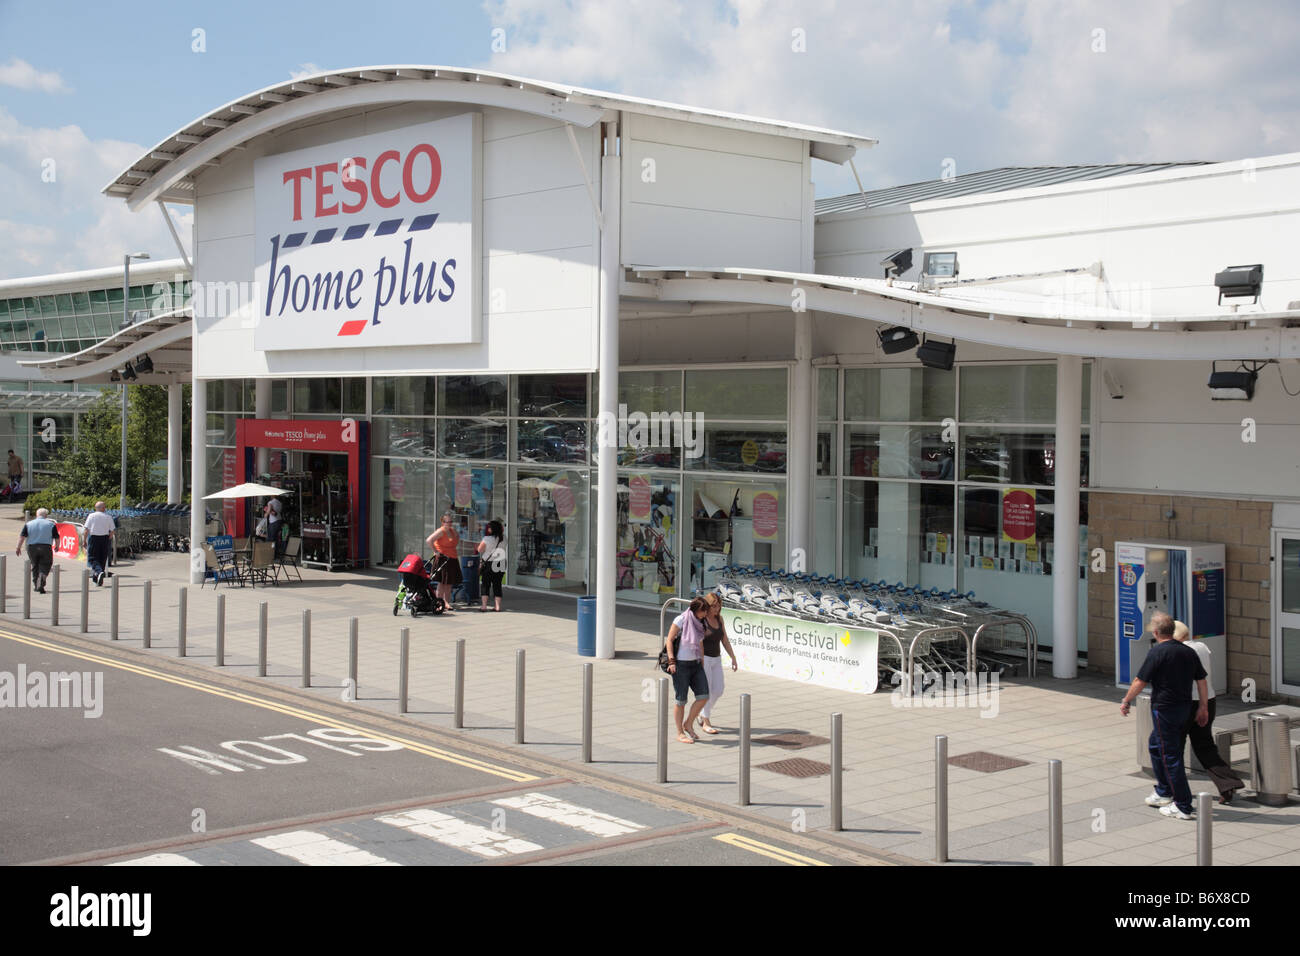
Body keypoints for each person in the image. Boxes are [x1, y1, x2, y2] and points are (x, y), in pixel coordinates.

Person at [1119, 612, 1208, 820]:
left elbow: (1140, 681)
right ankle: (1164, 791)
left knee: (1170, 755)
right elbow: (1202, 680)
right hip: (1184, 708)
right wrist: (1203, 706)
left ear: (1157, 632)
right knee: (1155, 746)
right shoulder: (1188, 652)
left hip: (1165, 709)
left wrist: (1126, 700)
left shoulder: (1157, 652)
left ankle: (1183, 805)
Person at [1174, 620, 1246, 804]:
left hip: (1185, 702)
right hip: (1208, 700)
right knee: (1204, 745)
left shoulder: (1178, 652)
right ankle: (1228, 783)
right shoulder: (1202, 647)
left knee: (1174, 748)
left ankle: (1174, 790)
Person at [664, 596, 712, 744]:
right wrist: (671, 661)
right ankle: (680, 732)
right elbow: (669, 640)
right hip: (681, 665)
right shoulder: (681, 619)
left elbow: (700, 643)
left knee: (703, 695)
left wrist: (702, 661)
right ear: (697, 610)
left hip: (696, 664)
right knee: (681, 700)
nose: (705, 614)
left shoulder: (700, 622)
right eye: (704, 611)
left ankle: (688, 723)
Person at [697, 592, 738, 734]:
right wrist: (701, 661)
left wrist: (733, 657)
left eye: (718, 606)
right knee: (706, 690)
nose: (716, 609)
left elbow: (724, 640)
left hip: (716, 658)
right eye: (713, 606)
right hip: (705, 659)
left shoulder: (719, 619)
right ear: (707, 606)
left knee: (719, 690)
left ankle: (702, 712)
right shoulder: (702, 621)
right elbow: (699, 642)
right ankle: (706, 721)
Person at [426, 512, 462, 612]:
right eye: (447, 522)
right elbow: (429, 540)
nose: (450, 523)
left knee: (448, 583)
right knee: (442, 583)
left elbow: (457, 538)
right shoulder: (441, 531)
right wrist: (436, 551)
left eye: (451, 521)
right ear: (443, 522)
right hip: (443, 559)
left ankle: (446, 602)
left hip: (452, 559)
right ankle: (439, 602)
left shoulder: (452, 530)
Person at [16, 507, 57, 593]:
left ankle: (36, 584)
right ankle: (41, 579)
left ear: (36, 515)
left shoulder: (29, 524)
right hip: (46, 547)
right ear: (46, 515)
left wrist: (18, 547)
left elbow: (22, 536)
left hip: (32, 547)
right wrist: (57, 546)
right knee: (46, 564)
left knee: (35, 565)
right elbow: (57, 537)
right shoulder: (51, 524)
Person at [82, 501, 116, 586]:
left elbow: (86, 530)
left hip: (94, 538)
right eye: (104, 507)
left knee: (93, 558)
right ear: (102, 508)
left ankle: (99, 572)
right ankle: (97, 578)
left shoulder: (91, 516)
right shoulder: (108, 516)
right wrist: (109, 538)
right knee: (102, 557)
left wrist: (84, 540)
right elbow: (112, 531)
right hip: (104, 538)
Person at [476, 519, 506, 612]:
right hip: (500, 562)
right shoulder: (504, 538)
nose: (488, 529)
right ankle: (497, 607)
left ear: (492, 529)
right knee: (497, 584)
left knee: (485, 584)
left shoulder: (487, 539)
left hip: (488, 563)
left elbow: (479, 550)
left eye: (489, 528)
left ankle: (484, 606)